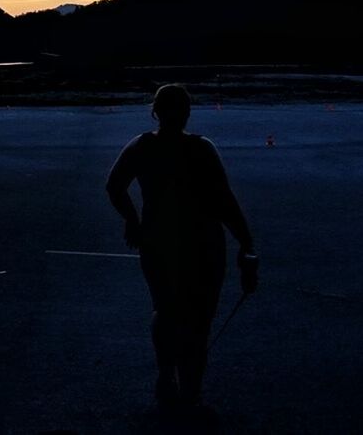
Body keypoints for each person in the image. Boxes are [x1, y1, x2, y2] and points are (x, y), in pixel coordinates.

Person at [106, 84, 256, 409]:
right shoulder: (202, 149)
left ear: (155, 112)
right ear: (188, 112)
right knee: (199, 319)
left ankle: (167, 374)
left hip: (158, 241)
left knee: (165, 309)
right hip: (202, 243)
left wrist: (133, 220)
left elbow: (114, 186)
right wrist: (246, 243)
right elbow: (225, 202)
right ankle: (191, 388)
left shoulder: (141, 147)